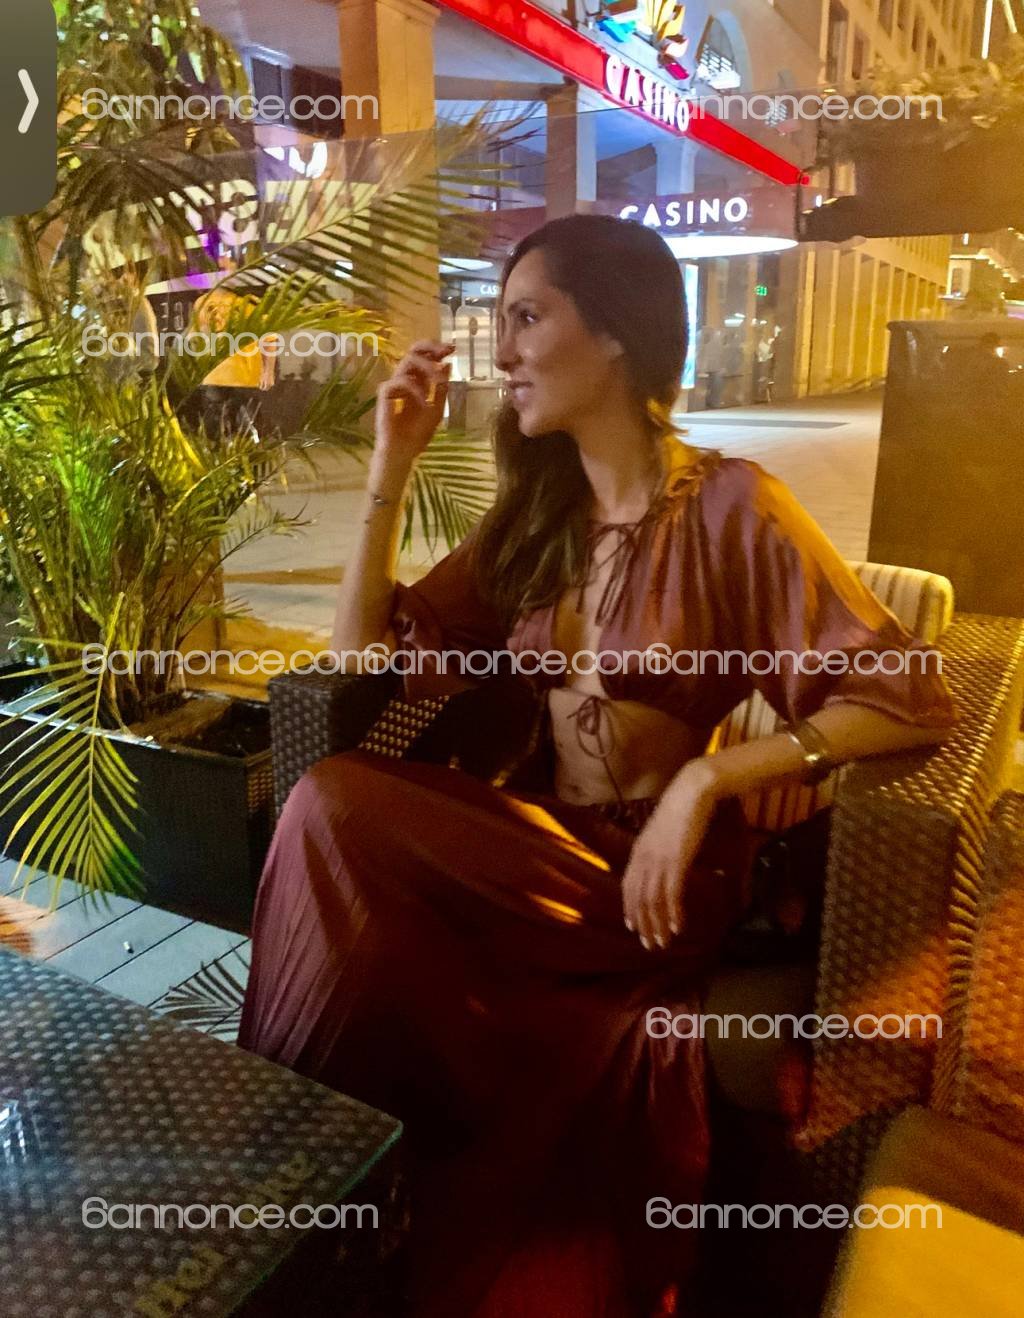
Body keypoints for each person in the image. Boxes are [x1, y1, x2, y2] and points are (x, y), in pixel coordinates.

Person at [238, 215, 958, 1316]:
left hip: (646, 888)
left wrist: (709, 778)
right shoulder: (540, 516)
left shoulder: (732, 506)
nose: (503, 352)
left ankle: (294, 1169)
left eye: (527, 317)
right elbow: (358, 662)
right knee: (333, 823)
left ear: (616, 334)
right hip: (531, 855)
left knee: (333, 807)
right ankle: (321, 1184)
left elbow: (904, 695)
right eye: (501, 322)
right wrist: (391, 464)